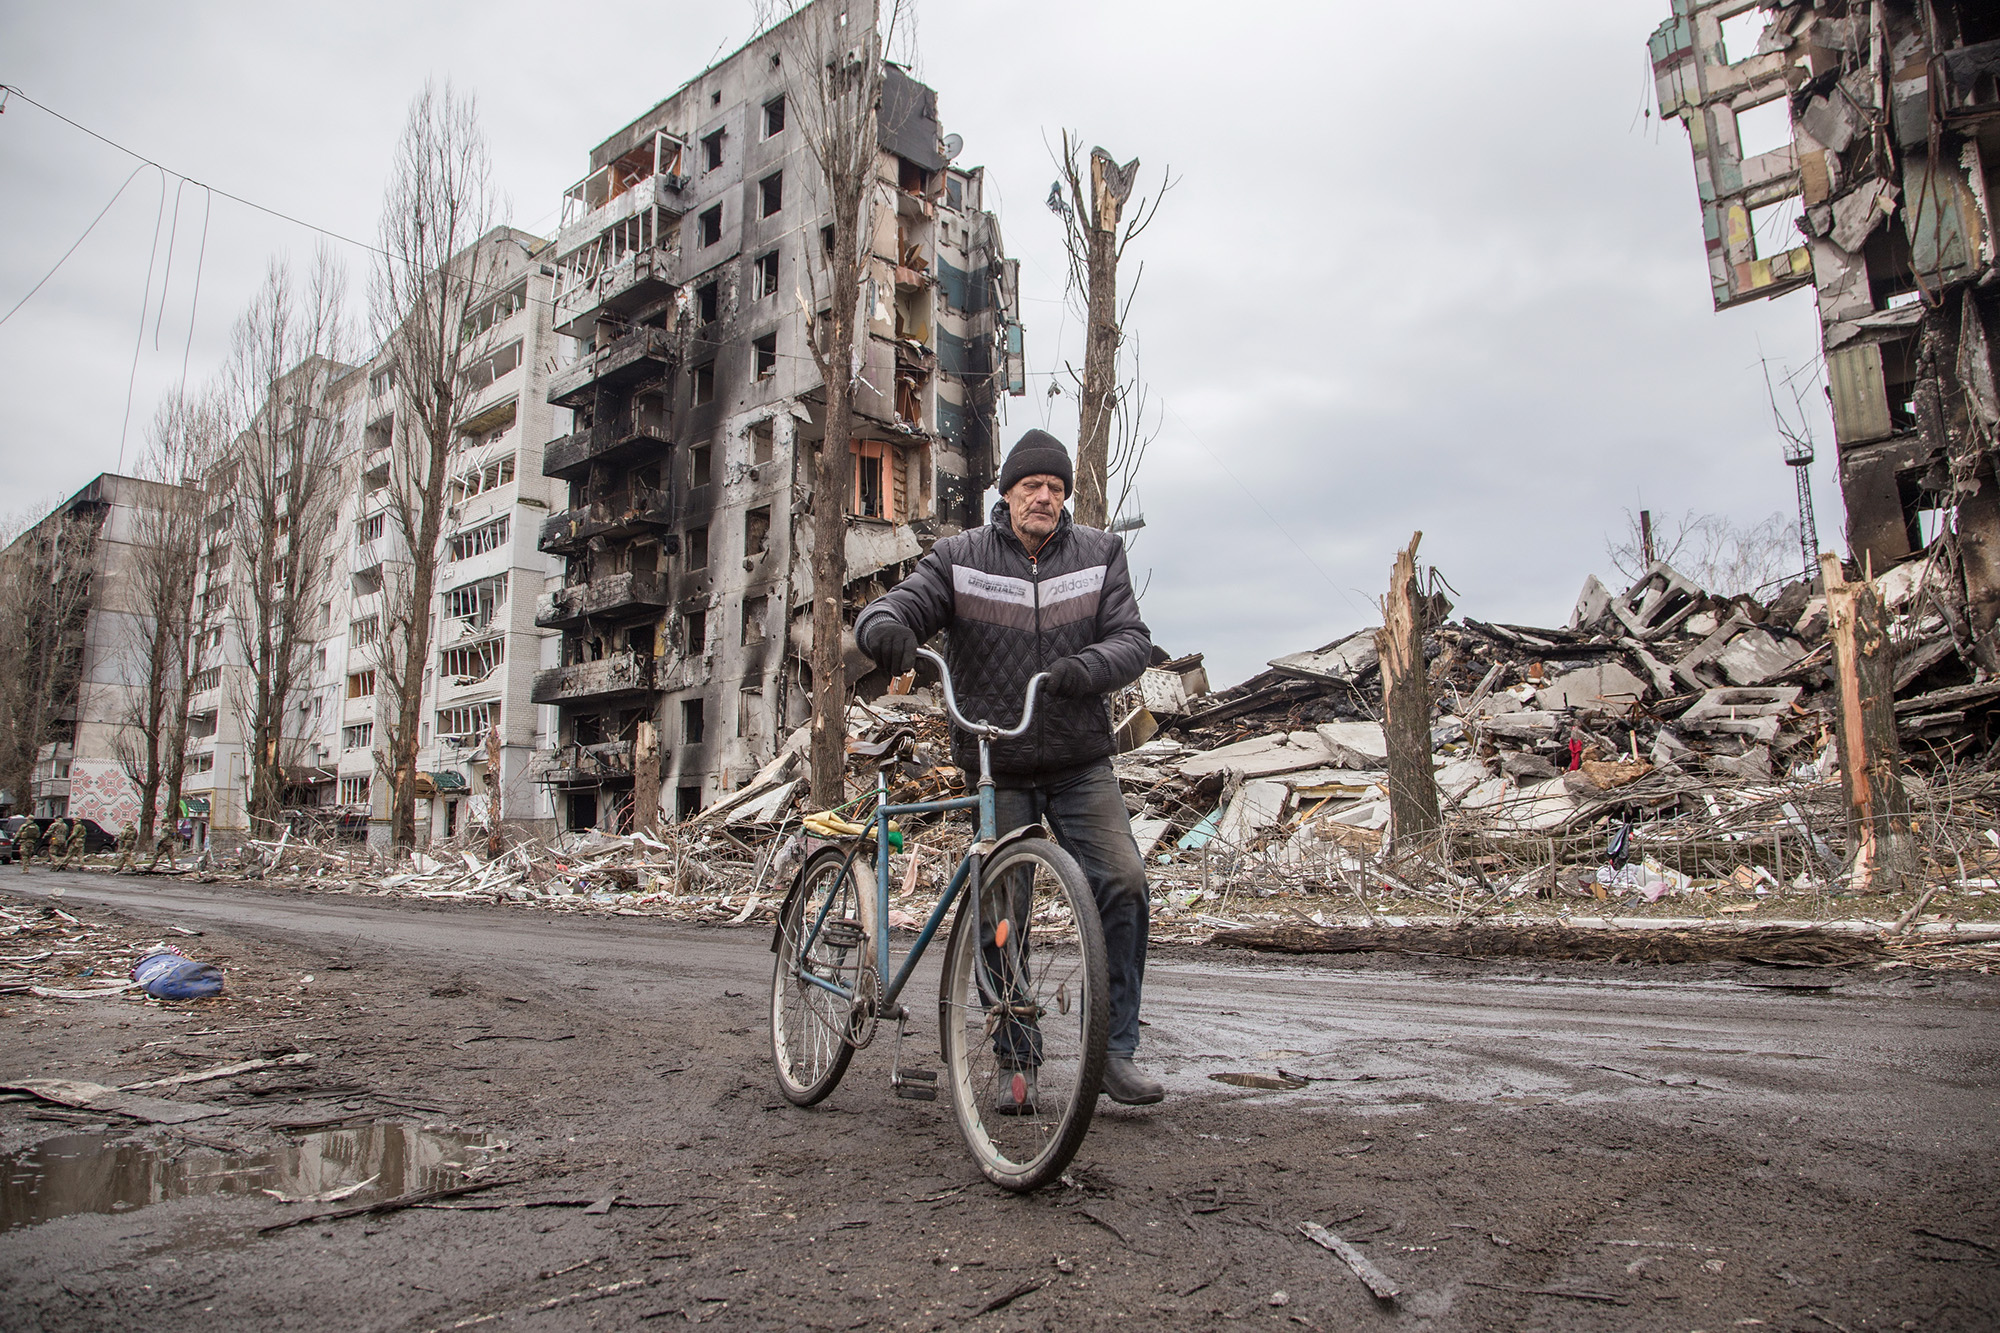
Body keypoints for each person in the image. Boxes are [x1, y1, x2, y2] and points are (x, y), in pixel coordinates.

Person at [854, 428, 1164, 1109]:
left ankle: (1114, 1050)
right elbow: (900, 603)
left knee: (1124, 881)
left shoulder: (1100, 553)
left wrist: (1089, 668)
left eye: (1056, 488)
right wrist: (884, 627)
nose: (1045, 498)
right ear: (1007, 492)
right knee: (1004, 907)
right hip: (999, 759)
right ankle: (1014, 1062)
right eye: (1033, 486)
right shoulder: (960, 557)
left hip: (1080, 757)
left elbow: (1133, 640)